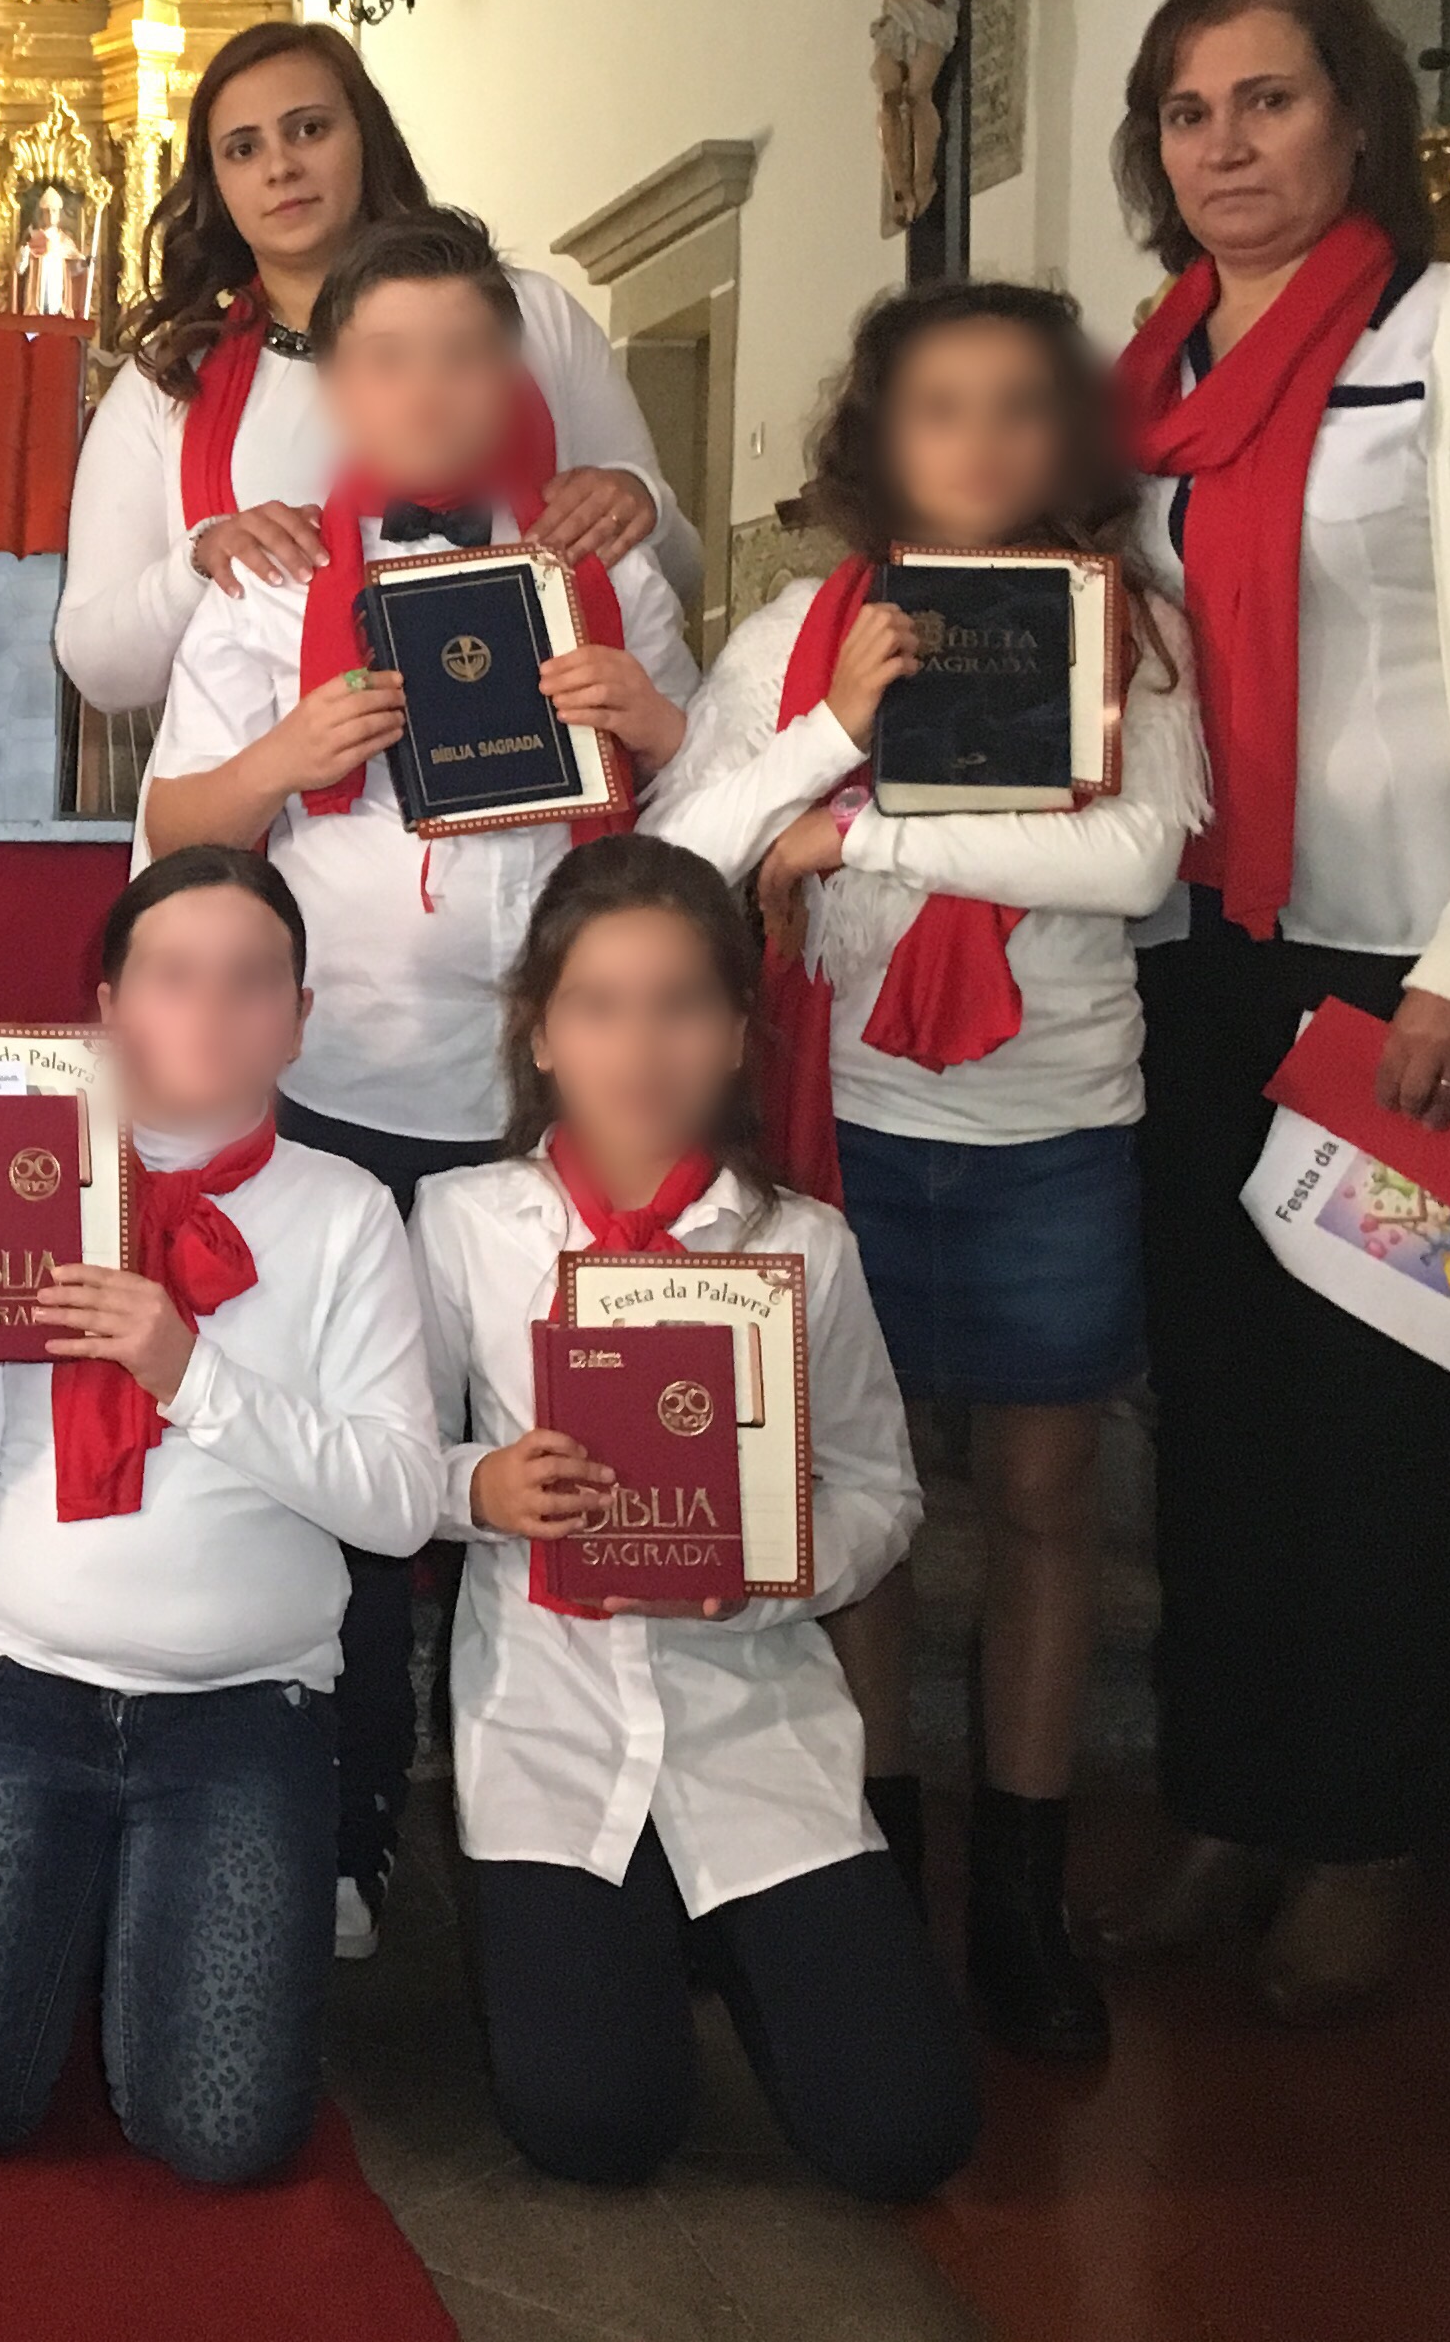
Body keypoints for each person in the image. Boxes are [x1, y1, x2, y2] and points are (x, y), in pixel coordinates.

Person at [1094, 0, 1450, 2022]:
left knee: (1371, 1420)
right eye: (1188, 110)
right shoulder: (1135, 385)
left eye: (1267, 99)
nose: (1225, 143)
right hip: (1186, 955)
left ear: (1354, 116)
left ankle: (1368, 1823)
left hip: (1405, 957)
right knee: (1216, 1407)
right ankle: (1230, 1797)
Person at [644, 279, 1205, 2060]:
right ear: (876, 437)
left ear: (1068, 435)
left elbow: (1133, 862)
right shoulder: (801, 628)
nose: (976, 441)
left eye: (1016, 406)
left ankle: (1019, 1895)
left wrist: (865, 835)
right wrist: (831, 731)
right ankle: (871, 1868)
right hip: (852, 1119)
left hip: (1055, 1121)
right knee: (865, 1507)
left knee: (1043, 1496)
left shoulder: (1127, 629)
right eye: (936, 407)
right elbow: (680, 849)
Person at [136, 206, 697, 1952]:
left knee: (572, 1456)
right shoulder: (272, 578)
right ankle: (347, 1821)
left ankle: (593, 1828)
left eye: (465, 351)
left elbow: (712, 840)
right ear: (339, 380)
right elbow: (170, 829)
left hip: (555, 1106)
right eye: (390, 357)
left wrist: (654, 725)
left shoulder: (607, 565)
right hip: (338, 1099)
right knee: (353, 1477)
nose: (431, 387)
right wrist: (285, 755)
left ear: (512, 368)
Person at [0, 848, 436, 2189]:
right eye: (173, 978)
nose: (210, 1014)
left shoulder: (343, 1215)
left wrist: (191, 1374)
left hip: (248, 1711)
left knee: (222, 2138)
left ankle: (131, 1916)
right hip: (22, 1687)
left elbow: (400, 1507)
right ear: (109, 1008)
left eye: (251, 983)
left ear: (298, 1020)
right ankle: (89, 1910)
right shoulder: (12, 1179)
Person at [420, 836, 973, 2202]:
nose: (640, 1049)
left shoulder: (805, 1247)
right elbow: (390, 1464)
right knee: (595, 2126)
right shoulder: (462, 1226)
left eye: (679, 1006)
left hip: (754, 1723)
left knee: (904, 2136)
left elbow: (883, 1491)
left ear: (734, 1034)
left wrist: (774, 1572)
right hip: (551, 1731)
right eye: (599, 1007)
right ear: (541, 1034)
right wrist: (478, 1489)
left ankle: (725, 1929)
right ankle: (648, 1939)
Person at [52, 17, 693, 720]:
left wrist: (640, 503)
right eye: (243, 148)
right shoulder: (169, 385)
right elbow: (99, 672)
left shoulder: (534, 318)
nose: (280, 167)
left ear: (367, 137)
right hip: (265, 783)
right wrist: (198, 561)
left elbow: (682, 577)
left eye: (309, 129)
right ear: (217, 185)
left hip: (538, 765)